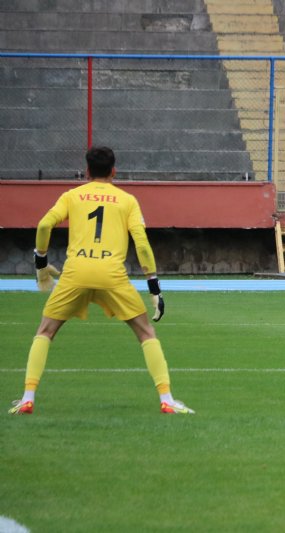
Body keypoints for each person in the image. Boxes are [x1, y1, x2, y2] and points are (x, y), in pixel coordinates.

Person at [8, 146, 194, 415]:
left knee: (45, 331)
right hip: (111, 275)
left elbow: (44, 225)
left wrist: (41, 263)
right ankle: (167, 399)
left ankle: (27, 397)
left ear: (87, 171)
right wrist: (154, 286)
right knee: (146, 333)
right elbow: (141, 244)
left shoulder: (72, 195)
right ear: (114, 171)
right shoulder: (127, 200)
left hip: (76, 272)